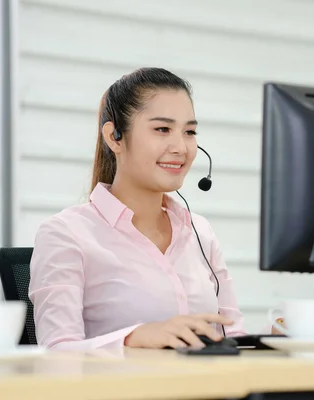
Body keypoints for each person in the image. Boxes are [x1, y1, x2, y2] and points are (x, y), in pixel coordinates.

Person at [28, 67, 246, 351]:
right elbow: (57, 351)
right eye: (162, 129)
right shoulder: (65, 234)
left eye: (189, 131)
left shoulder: (199, 231)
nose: (181, 147)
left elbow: (234, 337)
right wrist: (133, 338)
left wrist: (282, 333)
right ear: (114, 137)